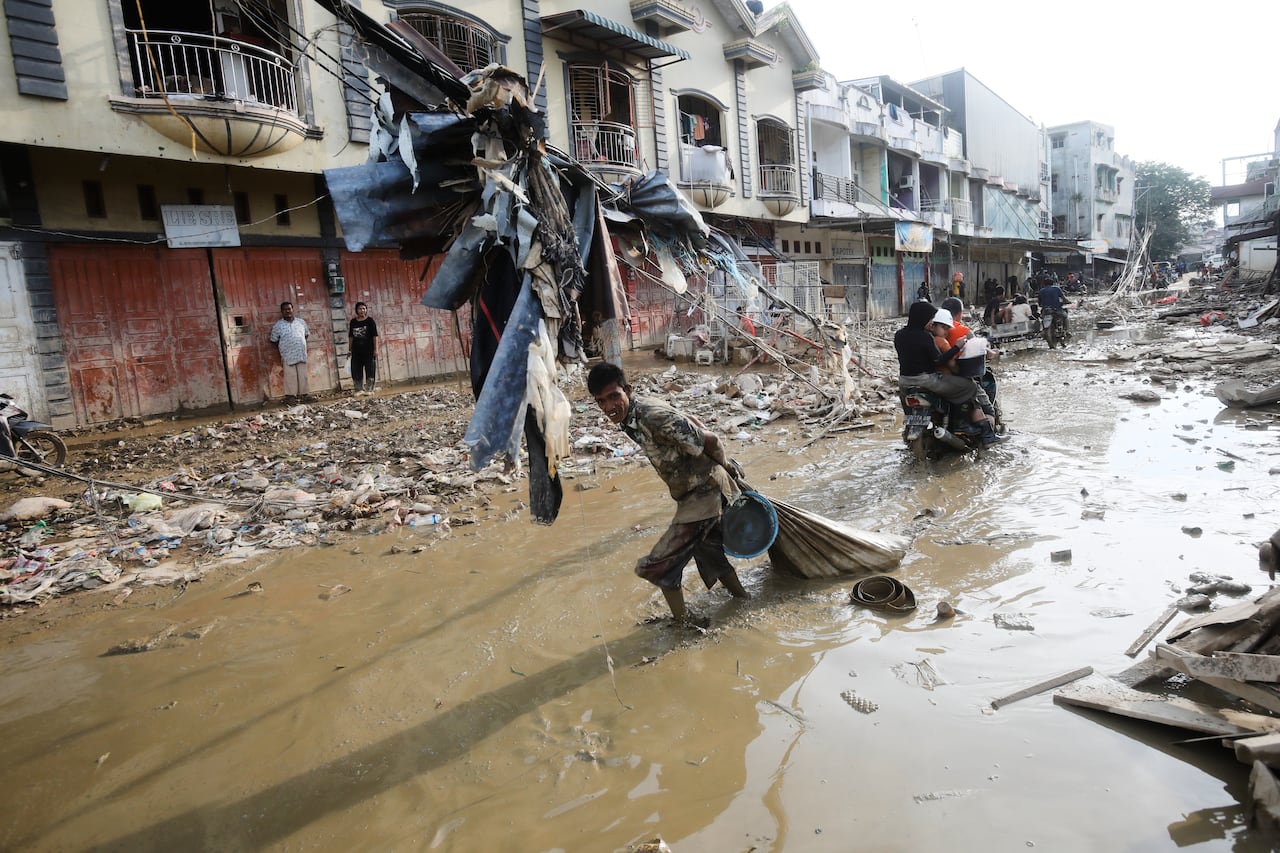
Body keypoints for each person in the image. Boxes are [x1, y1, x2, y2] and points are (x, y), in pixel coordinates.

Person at [587, 362, 750, 626]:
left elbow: (711, 441)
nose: (608, 407)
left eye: (614, 396)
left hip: (704, 492)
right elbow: (692, 422)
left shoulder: (651, 416)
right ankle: (744, 601)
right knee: (711, 554)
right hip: (691, 494)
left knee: (659, 565)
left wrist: (729, 467)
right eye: (601, 401)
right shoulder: (631, 416)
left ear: (627, 390)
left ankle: (683, 624)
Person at [895, 301, 1004, 446]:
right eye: (929, 320)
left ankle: (909, 429)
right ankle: (985, 434)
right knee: (969, 387)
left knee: (908, 410)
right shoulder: (927, 337)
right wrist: (957, 347)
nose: (930, 323)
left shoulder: (899, 335)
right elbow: (938, 360)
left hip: (904, 381)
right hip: (927, 380)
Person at [269, 301, 311, 403]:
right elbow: (274, 340)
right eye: (285, 309)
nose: (287, 311)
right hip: (287, 355)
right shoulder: (278, 325)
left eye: (289, 309)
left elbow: (306, 334)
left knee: (303, 375)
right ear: (282, 312)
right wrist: (284, 348)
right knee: (290, 376)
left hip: (300, 353)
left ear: (293, 310)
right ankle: (291, 397)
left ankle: (305, 395)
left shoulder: (301, 322)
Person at [347, 302, 379, 394]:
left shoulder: (370, 321)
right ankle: (358, 389)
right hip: (356, 351)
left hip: (369, 350)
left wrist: (376, 349)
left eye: (364, 309)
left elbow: (375, 336)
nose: (362, 311)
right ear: (356, 310)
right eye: (360, 309)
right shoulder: (353, 322)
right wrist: (349, 349)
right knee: (356, 369)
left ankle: (369, 389)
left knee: (370, 369)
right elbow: (351, 337)